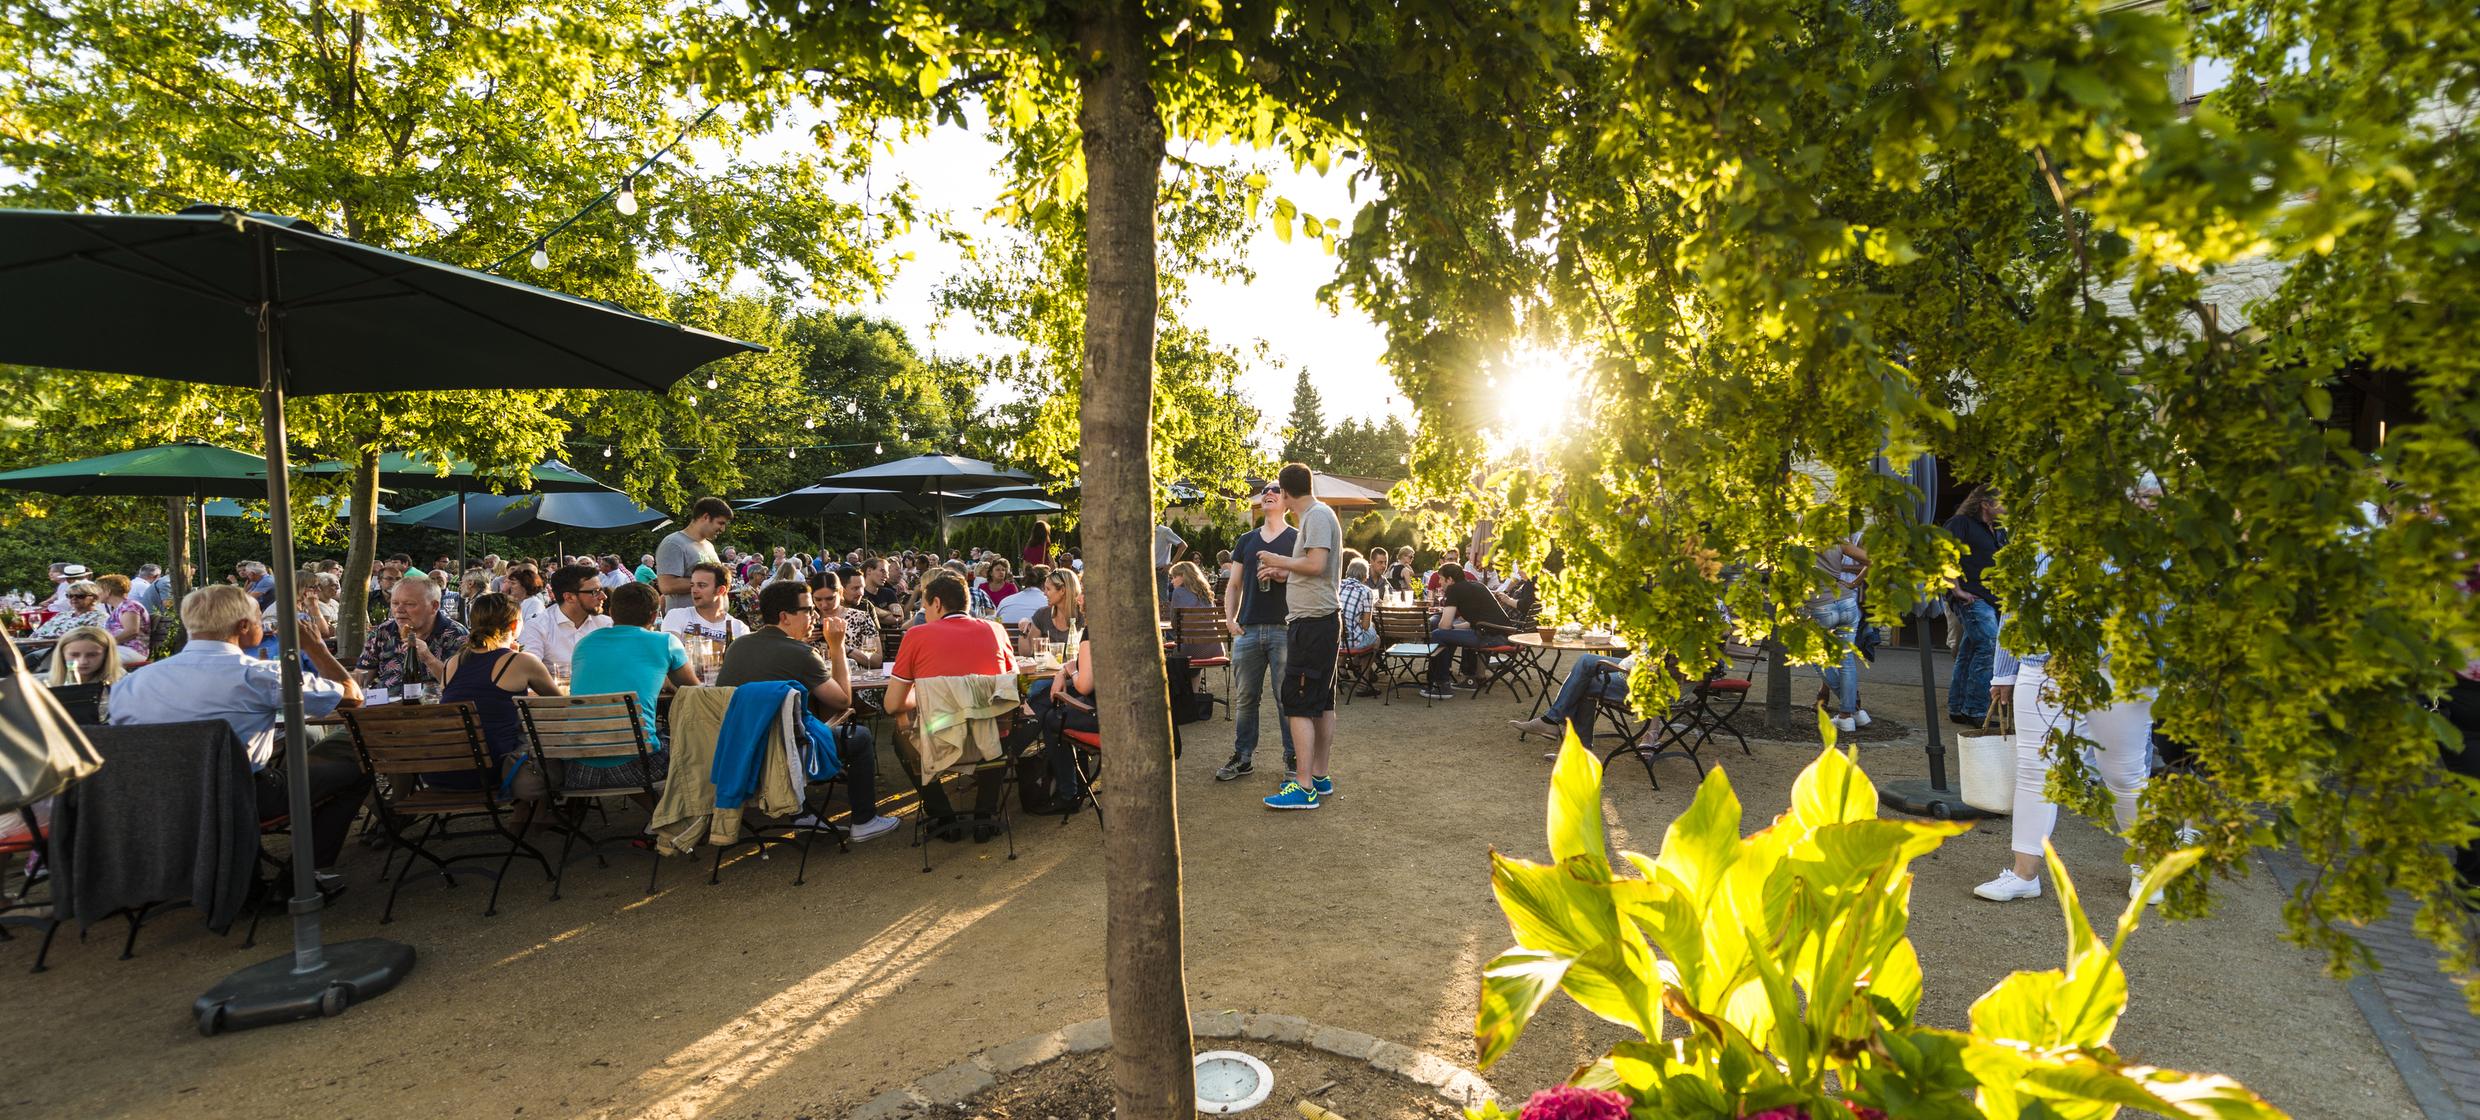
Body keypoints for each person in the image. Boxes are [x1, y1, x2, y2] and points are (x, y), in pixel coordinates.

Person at [110, 585, 370, 871]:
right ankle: (304, 874)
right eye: (260, 619)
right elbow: (352, 696)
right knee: (358, 768)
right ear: (244, 626)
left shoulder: (132, 682)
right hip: (237, 797)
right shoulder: (258, 675)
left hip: (155, 801)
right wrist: (316, 647)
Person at [1971, 555, 2160, 906]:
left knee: (2122, 773)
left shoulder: (2139, 527)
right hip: (2042, 664)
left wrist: (2164, 670)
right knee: (2034, 770)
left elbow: (2162, 604)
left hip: (2120, 668)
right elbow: (2019, 602)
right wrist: (2005, 670)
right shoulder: (2040, 526)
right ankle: (2024, 874)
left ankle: (2148, 867)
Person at [715, 580, 898, 841]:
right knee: (859, 737)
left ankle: (801, 813)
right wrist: (837, 646)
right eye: (808, 610)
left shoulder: (737, 647)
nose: (815, 616)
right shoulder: (800, 652)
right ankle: (864, 820)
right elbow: (843, 701)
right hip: (784, 752)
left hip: (740, 750)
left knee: (801, 722)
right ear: (784, 617)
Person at [883, 572, 1020, 839]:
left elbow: (891, 705)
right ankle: (985, 814)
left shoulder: (916, 636)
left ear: (936, 603)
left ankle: (942, 816)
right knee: (1006, 723)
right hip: (988, 742)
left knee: (898, 736)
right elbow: (1009, 690)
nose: (923, 610)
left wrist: (924, 695)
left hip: (937, 739)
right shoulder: (996, 630)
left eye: (924, 605)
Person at [1253, 462, 1343, 809]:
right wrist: (1284, 573)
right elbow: (1313, 571)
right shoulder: (1316, 516)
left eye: (1279, 492)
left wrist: (1280, 559)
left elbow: (1317, 564)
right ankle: (1319, 777)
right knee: (1321, 702)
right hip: (1317, 620)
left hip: (1313, 623)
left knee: (1298, 700)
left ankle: (1303, 787)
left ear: (1287, 494)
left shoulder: (1317, 516)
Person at [567, 581, 696, 792]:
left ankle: (656, 817)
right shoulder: (664, 642)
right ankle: (679, 818)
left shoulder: (585, 643)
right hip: (639, 766)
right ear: (654, 617)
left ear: (611, 612)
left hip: (579, 769)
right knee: (689, 744)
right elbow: (694, 689)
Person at [433, 593, 562, 791]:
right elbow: (558, 703)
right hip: (494, 768)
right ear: (514, 626)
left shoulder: (452, 663)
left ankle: (524, 816)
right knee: (550, 739)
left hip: (442, 768)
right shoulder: (521, 661)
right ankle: (538, 816)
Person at [1215, 480, 1297, 782]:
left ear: (1286, 501)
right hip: (1247, 630)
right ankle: (1243, 757)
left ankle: (1293, 758)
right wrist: (1229, 618)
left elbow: (1307, 581)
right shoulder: (1246, 540)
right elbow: (1233, 585)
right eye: (1265, 492)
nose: (1269, 494)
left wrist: (1282, 574)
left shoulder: (1296, 539)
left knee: (1285, 697)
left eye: (1276, 491)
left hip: (1284, 629)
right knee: (1246, 698)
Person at [1945, 485, 2007, 726]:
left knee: (1970, 650)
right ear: (1985, 503)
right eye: (2002, 501)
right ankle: (1976, 709)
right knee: (1989, 646)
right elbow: (1945, 554)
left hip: (1991, 598)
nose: (2006, 507)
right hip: (1972, 597)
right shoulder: (1961, 523)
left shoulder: (1998, 530)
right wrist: (1957, 589)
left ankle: (1958, 707)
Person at [356, 575, 469, 694]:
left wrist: (428, 658)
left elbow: (462, 684)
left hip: (432, 708)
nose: (399, 610)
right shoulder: (382, 631)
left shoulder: (456, 634)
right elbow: (361, 677)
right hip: (383, 706)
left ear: (434, 606)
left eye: (409, 604)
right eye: (395, 603)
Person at [1422, 561, 1517, 700]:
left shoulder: (1454, 590)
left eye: (1441, 579)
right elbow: (1475, 621)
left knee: (1438, 634)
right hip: (1504, 635)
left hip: (1490, 637)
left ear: (1450, 580)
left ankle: (1442, 686)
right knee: (1447, 634)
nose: (1440, 583)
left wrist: (1450, 629)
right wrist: (1454, 629)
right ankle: (1468, 680)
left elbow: (1445, 625)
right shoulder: (1478, 585)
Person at [1807, 533, 1871, 732]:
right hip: (1846, 602)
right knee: (1847, 661)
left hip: (1820, 604)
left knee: (1815, 656)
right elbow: (1872, 561)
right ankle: (1850, 714)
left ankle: (1849, 712)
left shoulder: (1800, 542)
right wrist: (1854, 584)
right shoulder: (1838, 541)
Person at [1509, 652, 1637, 744]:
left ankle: (1553, 723)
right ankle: (1551, 721)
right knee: (1586, 660)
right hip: (1636, 664)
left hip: (1641, 679)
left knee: (1584, 684)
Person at [515, 563, 612, 677]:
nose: (603, 596)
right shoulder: (538, 626)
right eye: (595, 591)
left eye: (602, 590)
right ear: (569, 597)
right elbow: (528, 671)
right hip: (557, 693)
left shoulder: (607, 625)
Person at [656, 497, 732, 614]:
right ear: (706, 517)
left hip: (714, 623)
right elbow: (667, 585)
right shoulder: (674, 543)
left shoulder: (708, 545)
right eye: (720, 523)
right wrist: (713, 583)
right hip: (687, 625)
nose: (722, 529)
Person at [661, 561, 749, 644]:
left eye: (701, 585)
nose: (694, 590)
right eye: (692, 585)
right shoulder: (676, 615)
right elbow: (671, 653)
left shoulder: (739, 628)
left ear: (720, 590)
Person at [1337, 556, 1379, 695]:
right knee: (1375, 638)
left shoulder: (1336, 585)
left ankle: (1351, 664)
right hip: (1351, 643)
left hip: (1333, 640)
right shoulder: (1366, 591)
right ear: (1365, 576)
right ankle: (1363, 682)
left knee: (1360, 634)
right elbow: (1366, 625)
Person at [1166, 560, 1220, 660]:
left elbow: (1174, 624)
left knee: (1172, 658)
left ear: (1183, 576)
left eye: (1174, 577)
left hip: (1190, 648)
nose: (1172, 581)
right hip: (1215, 648)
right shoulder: (1206, 593)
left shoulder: (1178, 592)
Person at [92, 573, 150, 665]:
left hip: (132, 651)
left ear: (108, 591)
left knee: (90, 658)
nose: (95, 594)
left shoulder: (129, 606)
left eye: (98, 590)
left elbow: (132, 632)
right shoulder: (119, 607)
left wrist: (106, 644)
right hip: (121, 649)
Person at [834, 567, 884, 669]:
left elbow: (875, 650)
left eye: (862, 588)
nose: (861, 593)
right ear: (840, 590)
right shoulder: (819, 614)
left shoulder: (865, 606)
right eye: (855, 588)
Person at [43, 625, 124, 687]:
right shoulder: (42, 685)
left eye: (92, 655)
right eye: (74, 655)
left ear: (107, 655)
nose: (83, 661)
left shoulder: (123, 682)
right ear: (62, 654)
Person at [1021, 567, 1083, 646]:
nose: (1044, 593)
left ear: (1062, 590)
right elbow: (1028, 652)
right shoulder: (1042, 615)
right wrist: (1023, 630)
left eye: (1048, 589)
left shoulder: (1084, 617)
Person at [32, 579, 107, 638]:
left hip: (58, 650)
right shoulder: (61, 615)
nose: (74, 599)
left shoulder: (99, 617)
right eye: (70, 596)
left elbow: (90, 641)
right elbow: (36, 634)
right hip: (36, 646)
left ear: (94, 598)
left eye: (80, 596)